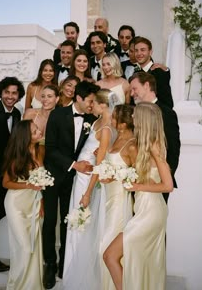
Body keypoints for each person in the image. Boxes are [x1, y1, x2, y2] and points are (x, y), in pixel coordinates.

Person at [104, 102, 174, 290]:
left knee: (110, 256)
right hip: (144, 209)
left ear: (143, 119)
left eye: (135, 115)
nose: (132, 118)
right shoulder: (144, 144)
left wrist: (138, 186)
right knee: (137, 260)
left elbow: (168, 185)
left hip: (151, 212)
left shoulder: (154, 146)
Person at [42, 81, 100, 289]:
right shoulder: (57, 115)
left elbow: (95, 144)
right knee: (50, 221)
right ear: (79, 98)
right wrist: (74, 164)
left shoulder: (93, 120)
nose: (92, 105)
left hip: (75, 182)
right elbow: (50, 149)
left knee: (70, 222)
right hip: (54, 176)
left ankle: (64, 263)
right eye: (90, 101)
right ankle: (49, 264)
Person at [62, 88, 117, 290]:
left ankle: (81, 273)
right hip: (80, 177)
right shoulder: (95, 123)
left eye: (94, 102)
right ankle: (71, 267)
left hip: (89, 183)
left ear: (103, 106)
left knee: (83, 223)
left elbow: (100, 166)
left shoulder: (106, 129)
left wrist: (87, 193)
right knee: (76, 224)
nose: (90, 105)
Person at [2, 120, 44, 290]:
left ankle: (32, 285)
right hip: (16, 205)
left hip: (33, 203)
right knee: (25, 248)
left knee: (34, 245)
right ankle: (17, 285)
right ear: (26, 137)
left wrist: (41, 203)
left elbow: (41, 180)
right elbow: (6, 183)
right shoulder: (17, 157)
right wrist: (29, 186)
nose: (39, 132)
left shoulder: (41, 150)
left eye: (37, 128)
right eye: (35, 131)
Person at [100, 104, 137, 290]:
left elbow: (138, 174)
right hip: (107, 199)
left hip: (120, 202)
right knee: (102, 242)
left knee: (107, 247)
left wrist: (116, 176)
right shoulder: (116, 138)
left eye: (114, 118)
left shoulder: (132, 144)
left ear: (122, 124)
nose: (111, 120)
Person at [129, 72, 180, 203]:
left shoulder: (167, 113)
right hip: (137, 182)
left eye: (134, 89)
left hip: (157, 184)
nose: (131, 94)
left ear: (146, 85)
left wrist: (161, 179)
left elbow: (173, 150)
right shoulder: (134, 113)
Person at [0, 76, 25, 272]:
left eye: (14, 93)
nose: (10, 96)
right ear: (1, 93)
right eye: (7, 92)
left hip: (8, 173)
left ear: (18, 95)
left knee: (1, 212)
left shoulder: (18, 114)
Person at [134, 36, 174, 109]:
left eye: (142, 50)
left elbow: (167, 103)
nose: (139, 53)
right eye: (136, 50)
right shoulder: (135, 73)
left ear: (150, 52)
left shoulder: (159, 72)